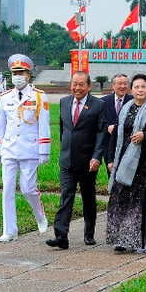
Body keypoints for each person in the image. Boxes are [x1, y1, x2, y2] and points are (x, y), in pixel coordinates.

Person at [105, 74, 146, 253]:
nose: (140, 90)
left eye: (143, 87)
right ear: (131, 90)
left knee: (138, 203)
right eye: (137, 87)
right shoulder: (125, 109)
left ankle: (138, 240)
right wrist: (111, 159)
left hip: (144, 165)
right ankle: (121, 239)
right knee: (120, 200)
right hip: (122, 162)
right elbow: (116, 135)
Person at [0, 54, 50, 242]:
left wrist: (44, 150)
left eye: (20, 72)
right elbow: (0, 125)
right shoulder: (5, 97)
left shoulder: (39, 96)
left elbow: (44, 125)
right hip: (9, 149)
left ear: (28, 75)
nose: (17, 76)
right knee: (7, 189)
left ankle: (39, 215)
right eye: (14, 73)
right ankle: (10, 230)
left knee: (27, 188)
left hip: (30, 149)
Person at [47, 71, 107, 250]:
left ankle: (89, 234)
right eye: (74, 84)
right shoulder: (64, 102)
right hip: (67, 160)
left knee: (88, 198)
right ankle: (61, 236)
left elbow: (101, 132)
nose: (77, 88)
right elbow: (63, 130)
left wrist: (97, 156)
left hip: (88, 162)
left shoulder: (98, 104)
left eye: (81, 84)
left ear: (89, 86)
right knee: (66, 197)